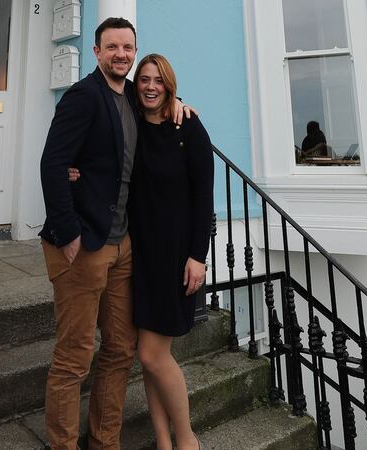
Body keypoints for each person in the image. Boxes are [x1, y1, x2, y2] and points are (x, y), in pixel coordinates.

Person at [39, 18, 191, 450]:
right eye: (112, 48)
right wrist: (68, 232)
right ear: (96, 52)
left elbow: (153, 114)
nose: (121, 54)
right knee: (74, 358)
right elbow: (53, 163)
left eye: (128, 47)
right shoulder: (83, 96)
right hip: (82, 245)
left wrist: (180, 102)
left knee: (122, 349)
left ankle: (105, 442)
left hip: (123, 246)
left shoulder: (129, 102)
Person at [128, 54, 213, 450]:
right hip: (138, 254)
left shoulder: (188, 126)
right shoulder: (131, 120)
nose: (149, 87)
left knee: (152, 354)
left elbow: (204, 196)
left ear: (169, 84)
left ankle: (187, 440)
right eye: (143, 79)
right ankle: (163, 441)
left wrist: (199, 255)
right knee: (147, 357)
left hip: (175, 256)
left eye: (158, 81)